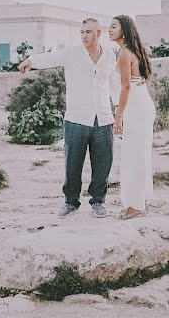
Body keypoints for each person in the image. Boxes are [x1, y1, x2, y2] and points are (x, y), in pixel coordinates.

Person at [18, 18, 121, 218]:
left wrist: (119, 109)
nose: (84, 36)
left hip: (103, 118)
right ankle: (71, 202)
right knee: (72, 164)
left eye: (88, 32)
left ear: (98, 33)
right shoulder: (73, 53)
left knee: (103, 163)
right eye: (82, 32)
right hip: (76, 118)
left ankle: (98, 201)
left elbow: (114, 82)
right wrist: (31, 61)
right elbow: (51, 58)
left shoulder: (108, 55)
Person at [108, 14, 156, 220]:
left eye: (114, 27)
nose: (110, 30)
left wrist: (118, 115)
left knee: (133, 156)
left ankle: (135, 205)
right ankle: (139, 201)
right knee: (138, 154)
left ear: (124, 30)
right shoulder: (131, 50)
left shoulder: (125, 54)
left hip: (135, 106)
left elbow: (126, 87)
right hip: (141, 103)